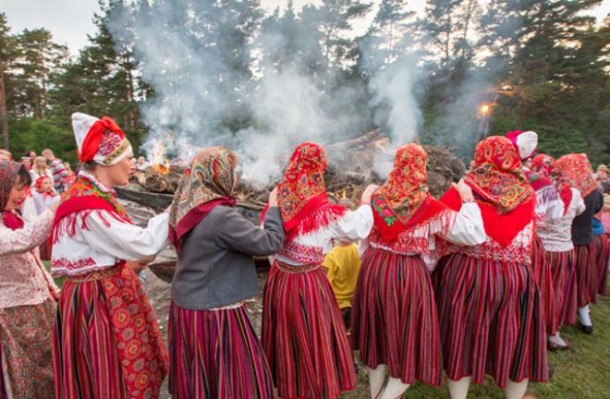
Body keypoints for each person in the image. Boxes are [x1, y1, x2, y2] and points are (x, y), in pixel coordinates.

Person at [352, 144, 486, 399]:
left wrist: (374, 259)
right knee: (410, 345)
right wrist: (468, 200)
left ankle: (374, 395)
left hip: (373, 268)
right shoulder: (429, 207)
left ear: (396, 166)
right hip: (407, 275)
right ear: (422, 169)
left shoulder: (377, 198)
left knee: (377, 339)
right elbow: (474, 234)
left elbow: (364, 241)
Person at [52, 112, 170, 399]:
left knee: (116, 372)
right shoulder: (88, 205)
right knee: (108, 371)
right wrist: (175, 210)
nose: (132, 164)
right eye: (127, 158)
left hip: (106, 291)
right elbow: (143, 244)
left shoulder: (94, 194)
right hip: (98, 302)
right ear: (107, 161)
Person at [437, 136, 548, 399]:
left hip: (466, 273)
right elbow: (532, 233)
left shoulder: (464, 188)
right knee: (514, 339)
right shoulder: (527, 194)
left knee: (461, 339)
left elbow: (440, 228)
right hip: (515, 277)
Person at [167, 147, 284, 398]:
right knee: (236, 380)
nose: (234, 176)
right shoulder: (219, 215)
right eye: (230, 170)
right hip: (214, 311)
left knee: (201, 380)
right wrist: (274, 208)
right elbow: (269, 243)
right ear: (217, 175)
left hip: (187, 306)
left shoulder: (187, 206)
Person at [262, 142, 374, 399]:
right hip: (308, 282)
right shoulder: (324, 211)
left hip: (279, 279)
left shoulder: (278, 200)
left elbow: (268, 239)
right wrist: (366, 202)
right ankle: (313, 386)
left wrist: (280, 265)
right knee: (313, 336)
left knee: (285, 335)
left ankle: (289, 384)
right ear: (318, 170)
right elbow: (357, 228)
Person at [0, 160, 60, 398]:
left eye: (25, 188)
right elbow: (23, 240)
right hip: (14, 314)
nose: (23, 194)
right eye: (17, 188)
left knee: (49, 370)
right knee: (24, 378)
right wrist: (55, 210)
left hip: (39, 306)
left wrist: (53, 289)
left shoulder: (10, 216)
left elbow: (33, 261)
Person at [531, 154, 585, 350]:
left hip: (536, 249)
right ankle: (553, 335)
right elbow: (580, 210)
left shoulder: (534, 190)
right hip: (562, 250)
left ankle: (530, 331)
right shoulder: (576, 194)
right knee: (557, 292)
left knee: (533, 290)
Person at [554, 154, 604, 333]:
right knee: (581, 280)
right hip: (584, 241)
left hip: (565, 242)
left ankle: (559, 320)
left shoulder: (564, 191)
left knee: (564, 282)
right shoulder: (595, 192)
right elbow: (597, 210)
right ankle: (585, 317)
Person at [322, 238, 361, 331]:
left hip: (338, 305)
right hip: (355, 303)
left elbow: (325, 284)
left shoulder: (331, 256)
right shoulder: (358, 251)